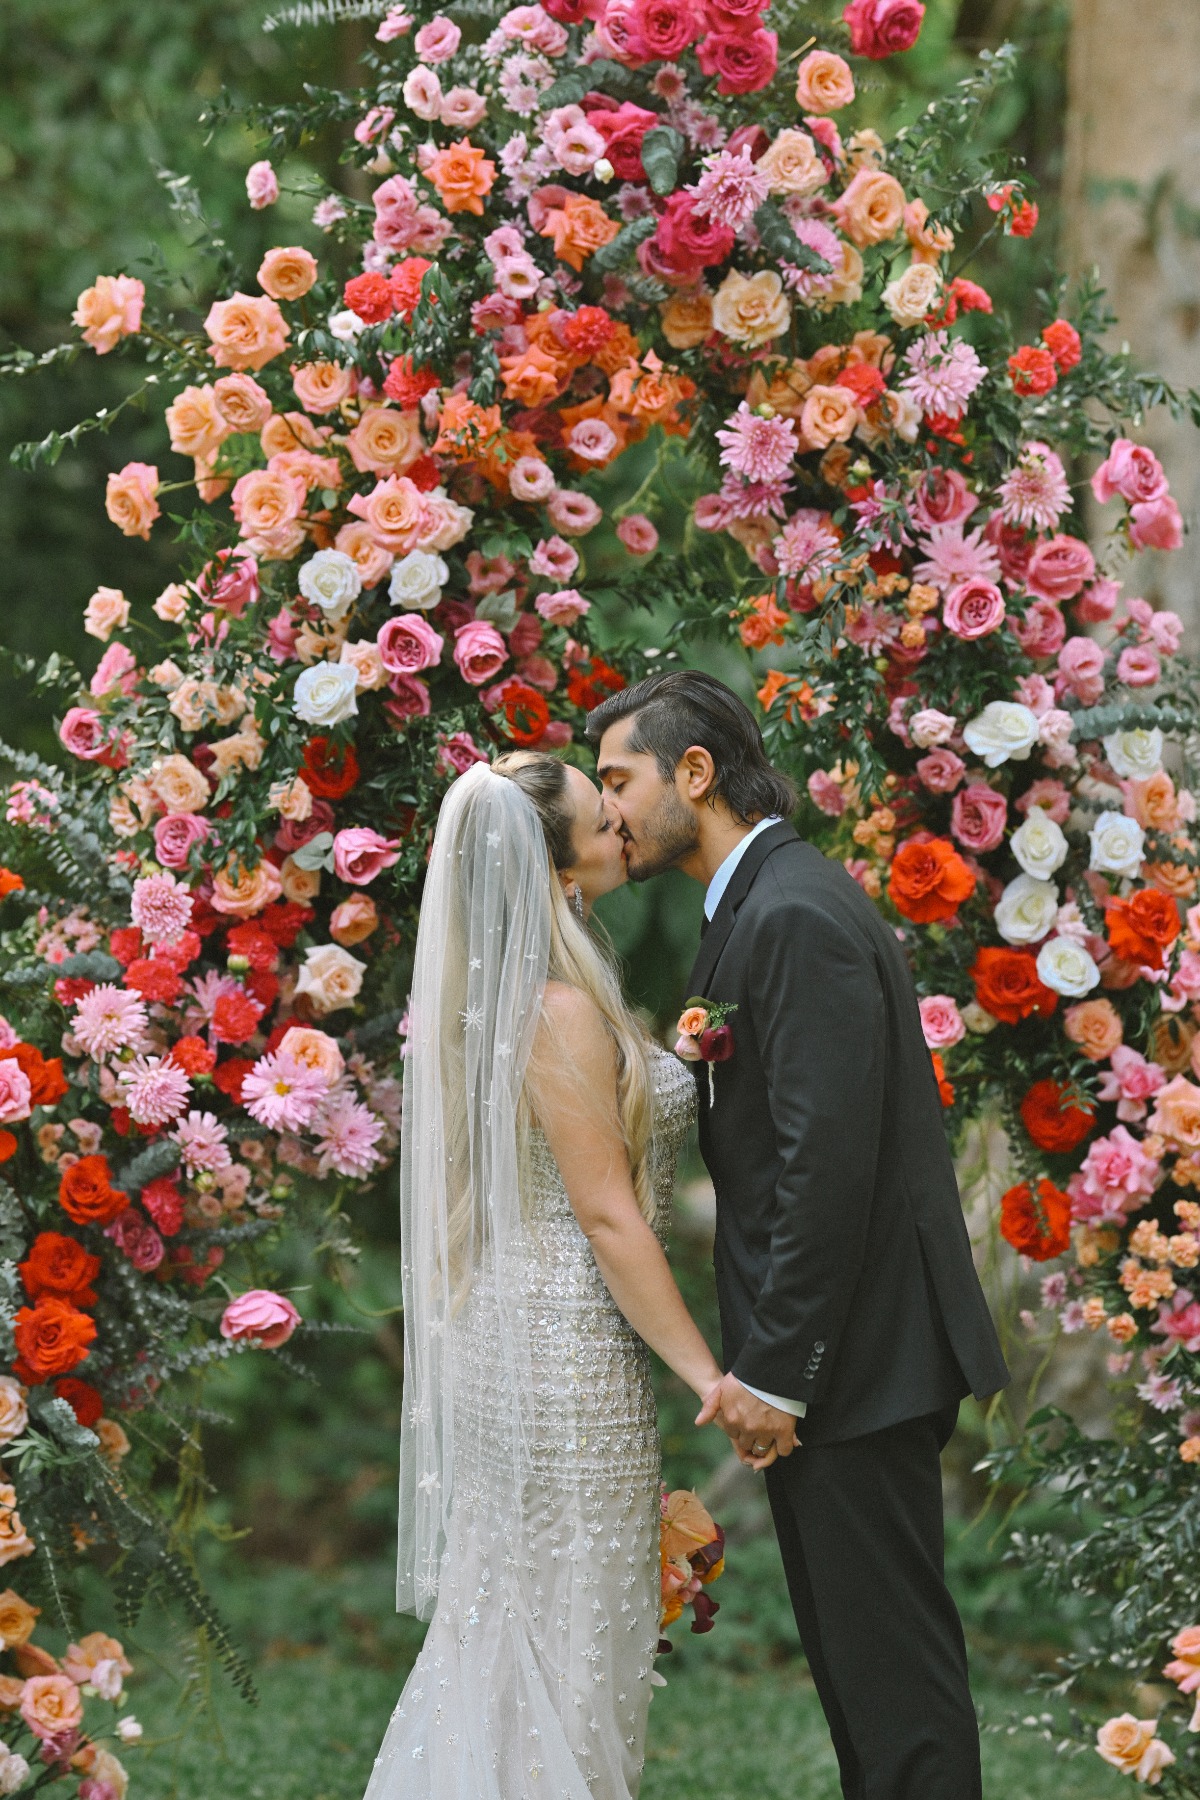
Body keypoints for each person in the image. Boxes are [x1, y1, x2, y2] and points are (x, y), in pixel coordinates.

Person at [587, 669, 1010, 1800]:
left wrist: (779, 1369)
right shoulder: (756, 906)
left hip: (861, 1356)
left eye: (619, 779)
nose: (609, 809)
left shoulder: (795, 912)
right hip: (847, 1359)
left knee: (897, 1691)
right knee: (863, 1685)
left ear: (694, 773)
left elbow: (828, 1165)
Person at [364, 752, 744, 1800]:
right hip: (565, 1351)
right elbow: (609, 1216)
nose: (621, 823)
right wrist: (707, 1376)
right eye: (600, 815)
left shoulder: (526, 995)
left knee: (527, 1622)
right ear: (552, 863)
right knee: (568, 1633)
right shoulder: (554, 1009)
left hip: (522, 1335)